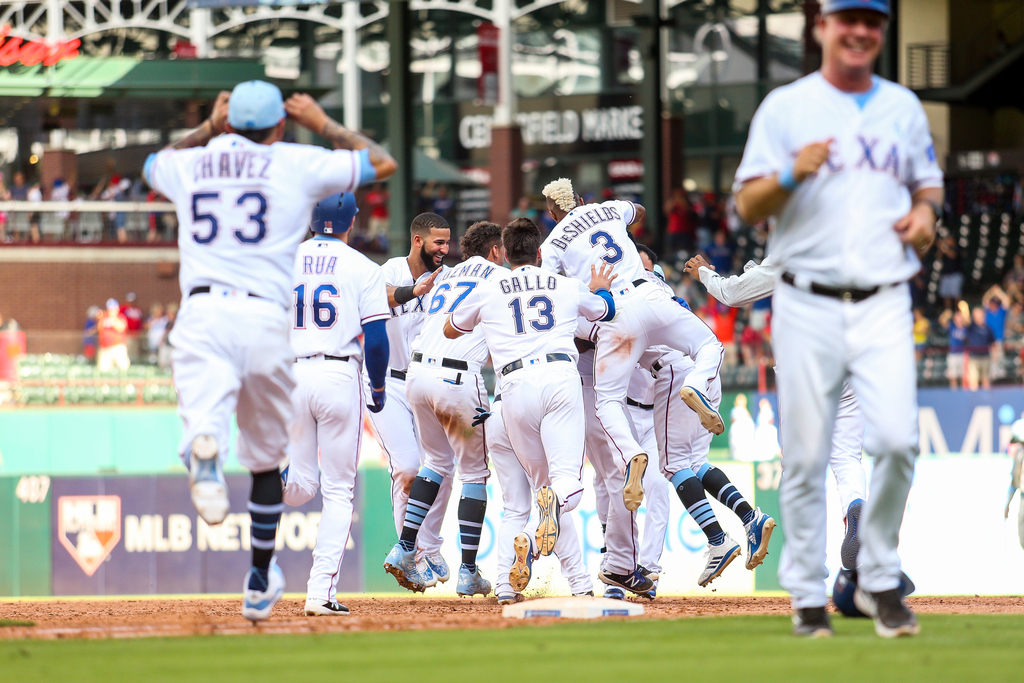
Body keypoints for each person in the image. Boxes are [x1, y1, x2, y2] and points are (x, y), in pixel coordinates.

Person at [143, 80, 396, 621]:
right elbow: (382, 161)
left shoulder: (197, 163)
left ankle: (203, 444)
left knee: (208, 419)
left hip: (204, 312)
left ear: (229, 121)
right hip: (267, 322)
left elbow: (152, 165)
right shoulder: (294, 163)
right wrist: (321, 122)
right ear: (280, 125)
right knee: (266, 462)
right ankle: (261, 580)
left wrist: (210, 129)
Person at [732, 0, 942, 637]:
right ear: (821, 26)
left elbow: (927, 188)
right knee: (804, 456)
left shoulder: (901, 107)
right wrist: (793, 174)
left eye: (872, 21)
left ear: (880, 32)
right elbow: (746, 202)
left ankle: (877, 577)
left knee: (901, 443)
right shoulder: (786, 107)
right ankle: (806, 598)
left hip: (883, 296)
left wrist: (927, 217)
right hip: (806, 298)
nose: (860, 30)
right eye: (848, 17)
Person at [539, 177, 726, 520]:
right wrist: (613, 213)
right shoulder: (607, 209)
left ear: (552, 214)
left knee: (607, 402)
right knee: (709, 345)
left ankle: (630, 455)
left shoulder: (552, 242)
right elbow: (638, 211)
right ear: (580, 199)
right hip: (650, 294)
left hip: (613, 316)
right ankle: (696, 385)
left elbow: (548, 288)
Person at [443, 218, 616, 566]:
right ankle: (551, 511)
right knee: (565, 481)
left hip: (513, 389)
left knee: (538, 487)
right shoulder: (565, 284)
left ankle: (512, 576)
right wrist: (599, 288)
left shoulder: (489, 288)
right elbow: (606, 312)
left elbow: (450, 329)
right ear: (539, 252)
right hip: (559, 378)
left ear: (505, 254)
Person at [384, 221, 505, 596]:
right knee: (474, 474)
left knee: (435, 464)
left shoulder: (449, 277)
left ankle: (405, 547)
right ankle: (468, 570)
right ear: (496, 251)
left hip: (418, 377)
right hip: (456, 382)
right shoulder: (500, 278)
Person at [284, 192, 390, 616]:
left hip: (291, 371)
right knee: (338, 490)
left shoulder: (283, 260)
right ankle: (318, 595)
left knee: (300, 487)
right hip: (338, 370)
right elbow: (377, 339)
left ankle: (271, 475)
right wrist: (377, 387)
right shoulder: (362, 266)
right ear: (349, 222)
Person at [368, 213, 451, 586]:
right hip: (386, 381)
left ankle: (427, 548)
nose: (444, 250)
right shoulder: (390, 271)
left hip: (426, 383)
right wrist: (413, 292)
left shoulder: (448, 277)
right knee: (406, 468)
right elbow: (374, 299)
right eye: (438, 242)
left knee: (441, 470)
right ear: (418, 241)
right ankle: (411, 552)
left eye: (448, 243)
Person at [964, 307, 996, 391]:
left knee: (985, 379)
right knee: (973, 379)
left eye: (980, 314)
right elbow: (965, 321)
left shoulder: (988, 329)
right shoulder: (971, 327)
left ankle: (987, 399)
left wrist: (995, 354)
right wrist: (964, 309)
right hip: (974, 358)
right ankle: (974, 400)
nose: (978, 317)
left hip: (985, 357)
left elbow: (993, 343)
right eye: (976, 315)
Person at [97, 298, 130, 372]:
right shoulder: (104, 317)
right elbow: (99, 328)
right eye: (109, 309)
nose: (110, 311)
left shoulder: (121, 317)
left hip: (118, 347)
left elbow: (121, 328)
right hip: (105, 348)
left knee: (123, 368)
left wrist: (112, 318)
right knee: (103, 370)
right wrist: (100, 318)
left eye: (112, 309)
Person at [939, 308, 967, 389]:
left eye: (959, 316)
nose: (958, 318)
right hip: (953, 354)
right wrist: (947, 313)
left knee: (962, 377)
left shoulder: (966, 328)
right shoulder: (952, 327)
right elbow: (942, 321)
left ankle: (962, 394)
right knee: (953, 376)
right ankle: (954, 394)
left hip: (963, 354)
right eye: (957, 317)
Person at [937, 236, 963, 311]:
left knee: (956, 295)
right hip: (945, 275)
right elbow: (938, 257)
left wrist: (943, 247)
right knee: (946, 295)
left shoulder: (958, 247)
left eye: (949, 239)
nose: (947, 241)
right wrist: (940, 248)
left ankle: (957, 312)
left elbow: (952, 255)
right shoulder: (944, 249)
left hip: (955, 275)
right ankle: (948, 312)